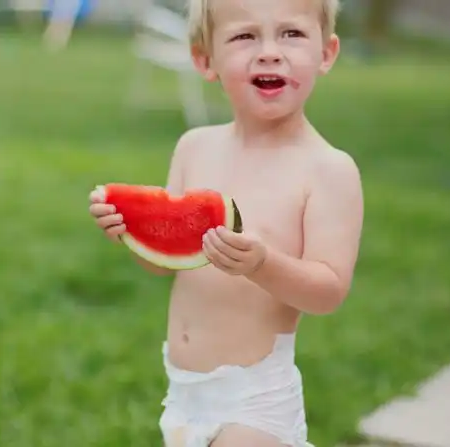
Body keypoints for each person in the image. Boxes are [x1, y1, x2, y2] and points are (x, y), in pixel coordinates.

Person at [88, 0, 364, 444]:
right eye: (244, 36)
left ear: (326, 53)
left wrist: (263, 265)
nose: (269, 52)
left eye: (291, 34)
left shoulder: (328, 170)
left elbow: (328, 291)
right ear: (205, 60)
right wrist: (130, 230)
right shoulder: (194, 147)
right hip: (183, 395)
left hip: (254, 399)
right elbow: (164, 263)